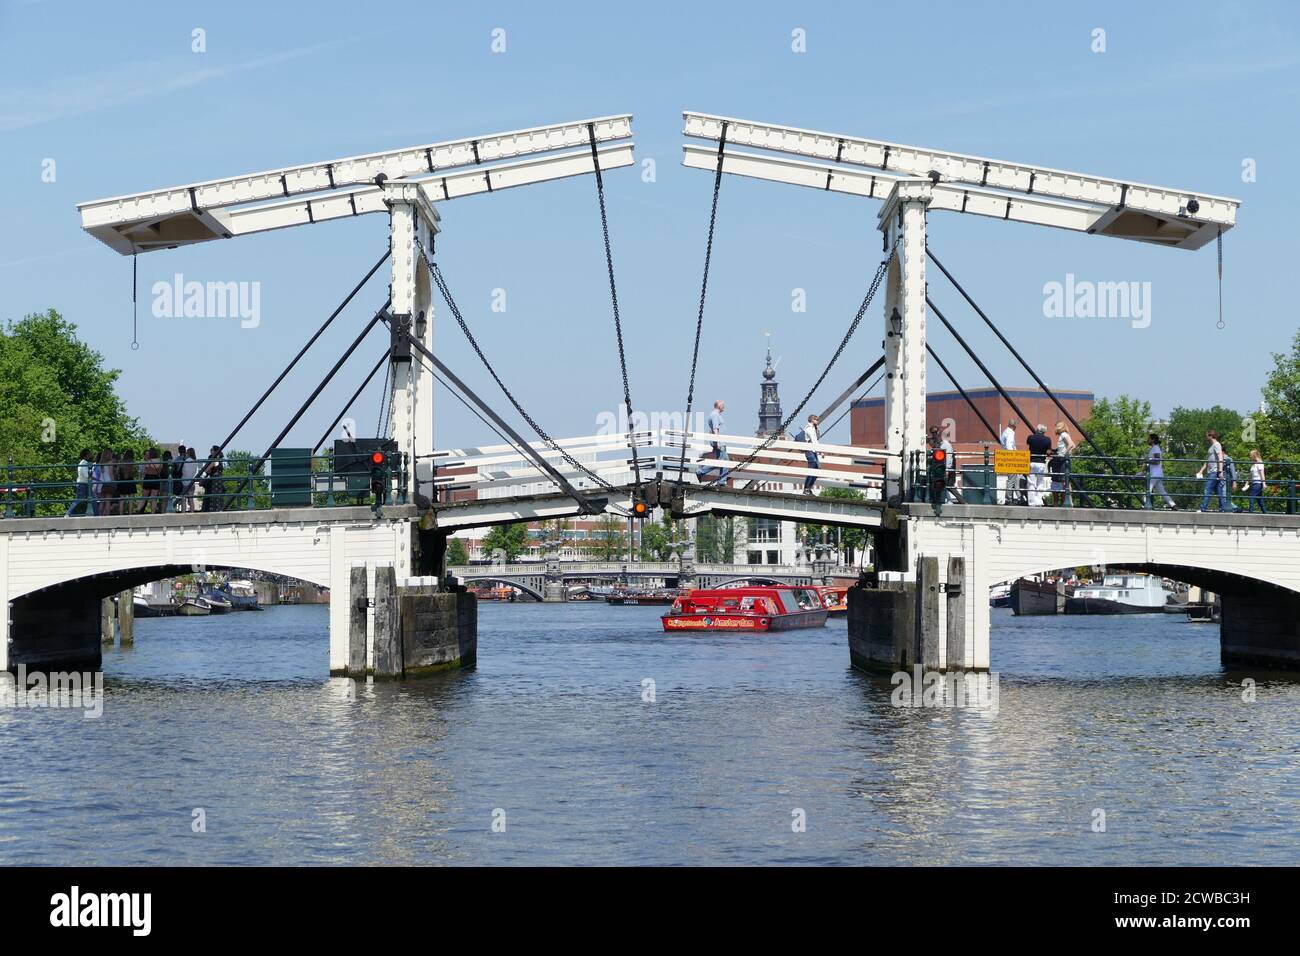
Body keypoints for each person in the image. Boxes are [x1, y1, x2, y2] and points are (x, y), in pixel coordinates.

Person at [1195, 430, 1231, 512]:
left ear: (1210, 436)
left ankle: (1203, 508)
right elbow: (1208, 461)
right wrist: (1201, 471)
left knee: (1207, 489)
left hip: (1215, 471)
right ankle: (1223, 508)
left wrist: (1220, 471)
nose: (1206, 437)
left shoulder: (1217, 445)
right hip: (1212, 471)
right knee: (1219, 491)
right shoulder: (1212, 446)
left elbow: (1220, 457)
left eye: (1207, 436)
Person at [1144, 433, 1177, 510]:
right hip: (1156, 473)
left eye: (1149, 439)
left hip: (1155, 474)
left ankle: (1145, 505)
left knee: (1148, 489)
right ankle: (1173, 505)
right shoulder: (1154, 448)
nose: (1147, 440)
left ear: (1153, 440)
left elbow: (1157, 461)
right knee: (1162, 491)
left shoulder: (1155, 448)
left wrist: (1147, 461)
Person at [1050, 422, 1076, 504]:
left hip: (1063, 460)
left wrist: (1064, 453)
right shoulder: (1064, 434)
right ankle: (1069, 501)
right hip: (1064, 460)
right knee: (1065, 480)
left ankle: (1069, 501)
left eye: (1057, 426)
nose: (1055, 428)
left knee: (1065, 481)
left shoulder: (1063, 434)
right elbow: (1073, 445)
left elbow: (1071, 445)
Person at [1027, 424, 1052, 507]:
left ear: (1037, 430)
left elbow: (1028, 444)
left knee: (1031, 483)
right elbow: (1048, 452)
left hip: (1032, 462)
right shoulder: (1048, 440)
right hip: (1041, 463)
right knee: (1040, 483)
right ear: (1044, 431)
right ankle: (1039, 501)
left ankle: (1031, 502)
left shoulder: (1031, 437)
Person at [798, 414, 820, 495]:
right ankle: (806, 488)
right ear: (812, 420)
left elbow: (817, 437)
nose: (817, 421)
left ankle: (808, 488)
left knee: (817, 468)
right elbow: (814, 440)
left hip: (813, 451)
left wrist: (817, 429)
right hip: (809, 451)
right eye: (816, 419)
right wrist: (820, 451)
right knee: (812, 467)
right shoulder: (809, 429)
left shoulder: (814, 429)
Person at [67, 448, 93, 516]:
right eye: (89, 454)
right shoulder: (84, 463)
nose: (90, 455)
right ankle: (68, 513)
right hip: (83, 484)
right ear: (86, 455)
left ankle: (91, 513)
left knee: (90, 498)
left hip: (83, 483)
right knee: (80, 499)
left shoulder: (82, 462)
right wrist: (92, 475)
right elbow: (86, 475)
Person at [998, 418, 1018, 504]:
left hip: (1006, 457)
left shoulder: (1005, 432)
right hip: (1011, 458)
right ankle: (1009, 499)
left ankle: (1019, 497)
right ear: (1014, 426)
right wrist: (1014, 455)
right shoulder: (1010, 433)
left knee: (1014, 478)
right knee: (1012, 479)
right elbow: (1009, 445)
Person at [201, 445, 226, 512]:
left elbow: (207, 470)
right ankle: (218, 509)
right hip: (219, 480)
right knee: (217, 496)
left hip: (214, 481)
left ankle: (213, 509)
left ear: (215, 451)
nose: (210, 451)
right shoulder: (220, 460)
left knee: (213, 496)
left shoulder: (214, 460)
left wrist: (203, 475)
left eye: (212, 450)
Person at [1242, 449, 1267, 514]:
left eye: (1250, 455)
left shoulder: (1259, 463)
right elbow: (1250, 475)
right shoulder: (1254, 464)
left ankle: (1251, 512)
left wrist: (1264, 483)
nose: (1250, 457)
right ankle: (1265, 512)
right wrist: (1246, 483)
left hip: (1258, 483)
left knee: (1251, 496)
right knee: (1259, 499)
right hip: (1254, 483)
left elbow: (1262, 474)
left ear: (1254, 455)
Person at [139, 448, 161, 513]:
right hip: (156, 479)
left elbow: (145, 471)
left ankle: (138, 510)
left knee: (144, 497)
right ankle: (153, 513)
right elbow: (160, 471)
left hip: (148, 478)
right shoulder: (160, 461)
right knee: (154, 498)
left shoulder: (149, 461)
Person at [117, 449, 137, 516]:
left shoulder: (121, 462)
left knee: (121, 499)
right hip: (130, 480)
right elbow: (134, 472)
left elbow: (117, 472)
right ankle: (130, 514)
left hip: (122, 480)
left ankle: (121, 515)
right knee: (131, 500)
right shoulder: (132, 462)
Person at [182, 447, 201, 512]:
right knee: (191, 499)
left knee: (183, 499)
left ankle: (183, 512)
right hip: (192, 482)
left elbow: (184, 471)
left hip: (184, 482)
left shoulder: (186, 461)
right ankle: (192, 512)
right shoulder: (195, 462)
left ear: (188, 453)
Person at [171, 446, 187, 512]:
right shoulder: (187, 459)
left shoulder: (177, 459)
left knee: (180, 495)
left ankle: (178, 509)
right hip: (185, 478)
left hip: (179, 479)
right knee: (184, 497)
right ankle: (183, 510)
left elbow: (174, 468)